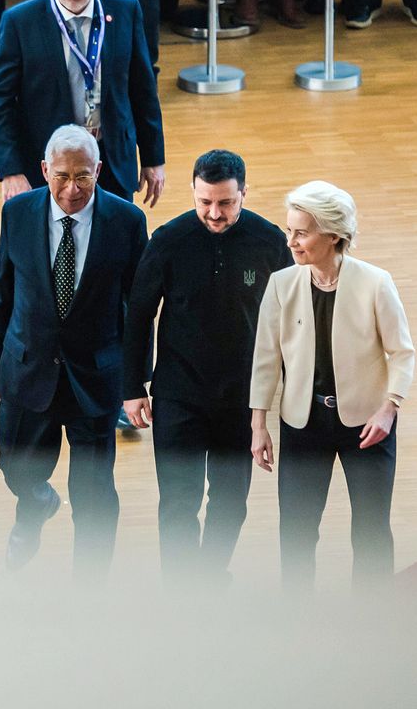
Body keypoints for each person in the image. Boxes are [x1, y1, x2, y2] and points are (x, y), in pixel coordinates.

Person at [0, 124, 148, 576]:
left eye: (83, 177)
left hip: (95, 375)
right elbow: (3, 287)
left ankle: (88, 591)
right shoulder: (17, 212)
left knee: (94, 496)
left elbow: (139, 308)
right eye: (60, 176)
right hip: (27, 365)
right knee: (16, 468)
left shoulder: (127, 221)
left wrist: (137, 380)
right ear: (43, 170)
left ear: (98, 170)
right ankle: (36, 505)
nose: (72, 189)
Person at [121, 150, 290, 581]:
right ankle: (182, 590)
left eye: (226, 203)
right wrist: (132, 387)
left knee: (232, 501)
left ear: (244, 194)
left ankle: (211, 576)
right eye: (204, 202)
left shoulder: (270, 242)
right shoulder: (168, 241)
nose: (214, 213)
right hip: (179, 394)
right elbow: (138, 313)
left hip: (242, 397)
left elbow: (293, 316)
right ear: (193, 193)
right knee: (178, 500)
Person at [250, 181, 416, 589]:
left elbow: (403, 353)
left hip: (367, 425)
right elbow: (266, 358)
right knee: (297, 530)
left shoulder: (376, 283)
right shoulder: (281, 284)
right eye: (289, 230)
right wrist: (258, 425)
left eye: (301, 232)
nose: (290, 241)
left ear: (334, 235)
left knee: (371, 530)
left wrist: (389, 407)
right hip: (303, 424)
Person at [0, 0, 165, 211]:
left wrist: (154, 158)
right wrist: (11, 171)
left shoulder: (125, 10)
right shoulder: (20, 22)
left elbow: (142, 89)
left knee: (116, 245)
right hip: (50, 163)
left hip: (112, 157)